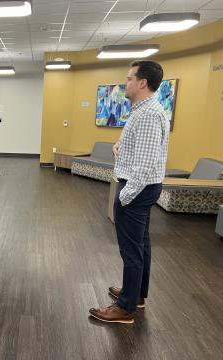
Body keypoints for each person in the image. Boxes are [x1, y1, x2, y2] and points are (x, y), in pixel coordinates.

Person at [89, 61, 170, 324]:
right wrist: (118, 145)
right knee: (141, 245)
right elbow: (140, 148)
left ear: (143, 82)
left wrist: (125, 196)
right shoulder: (145, 110)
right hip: (144, 188)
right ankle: (136, 295)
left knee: (131, 250)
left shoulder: (147, 114)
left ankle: (125, 309)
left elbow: (145, 165)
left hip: (137, 189)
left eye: (129, 78)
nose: (126, 83)